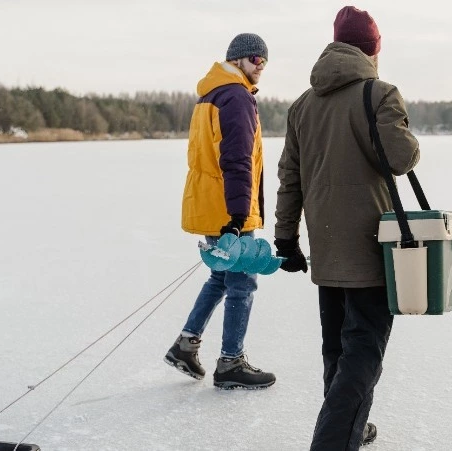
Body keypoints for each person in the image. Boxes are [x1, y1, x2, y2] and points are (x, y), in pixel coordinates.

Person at [274, 6, 420, 449]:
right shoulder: (380, 93)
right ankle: (335, 440)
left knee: (337, 346)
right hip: (371, 246)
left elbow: (290, 178)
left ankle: (348, 426)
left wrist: (286, 238)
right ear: (372, 49)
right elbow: (401, 159)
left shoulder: (303, 104)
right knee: (363, 351)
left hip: (326, 245)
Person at [164, 33, 276, 390]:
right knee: (242, 281)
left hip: (214, 203)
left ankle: (186, 345)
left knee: (222, 276)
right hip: (229, 208)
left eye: (265, 61)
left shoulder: (210, 94)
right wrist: (240, 215)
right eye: (256, 59)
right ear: (239, 59)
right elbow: (237, 160)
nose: (261, 66)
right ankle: (231, 362)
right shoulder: (236, 97)